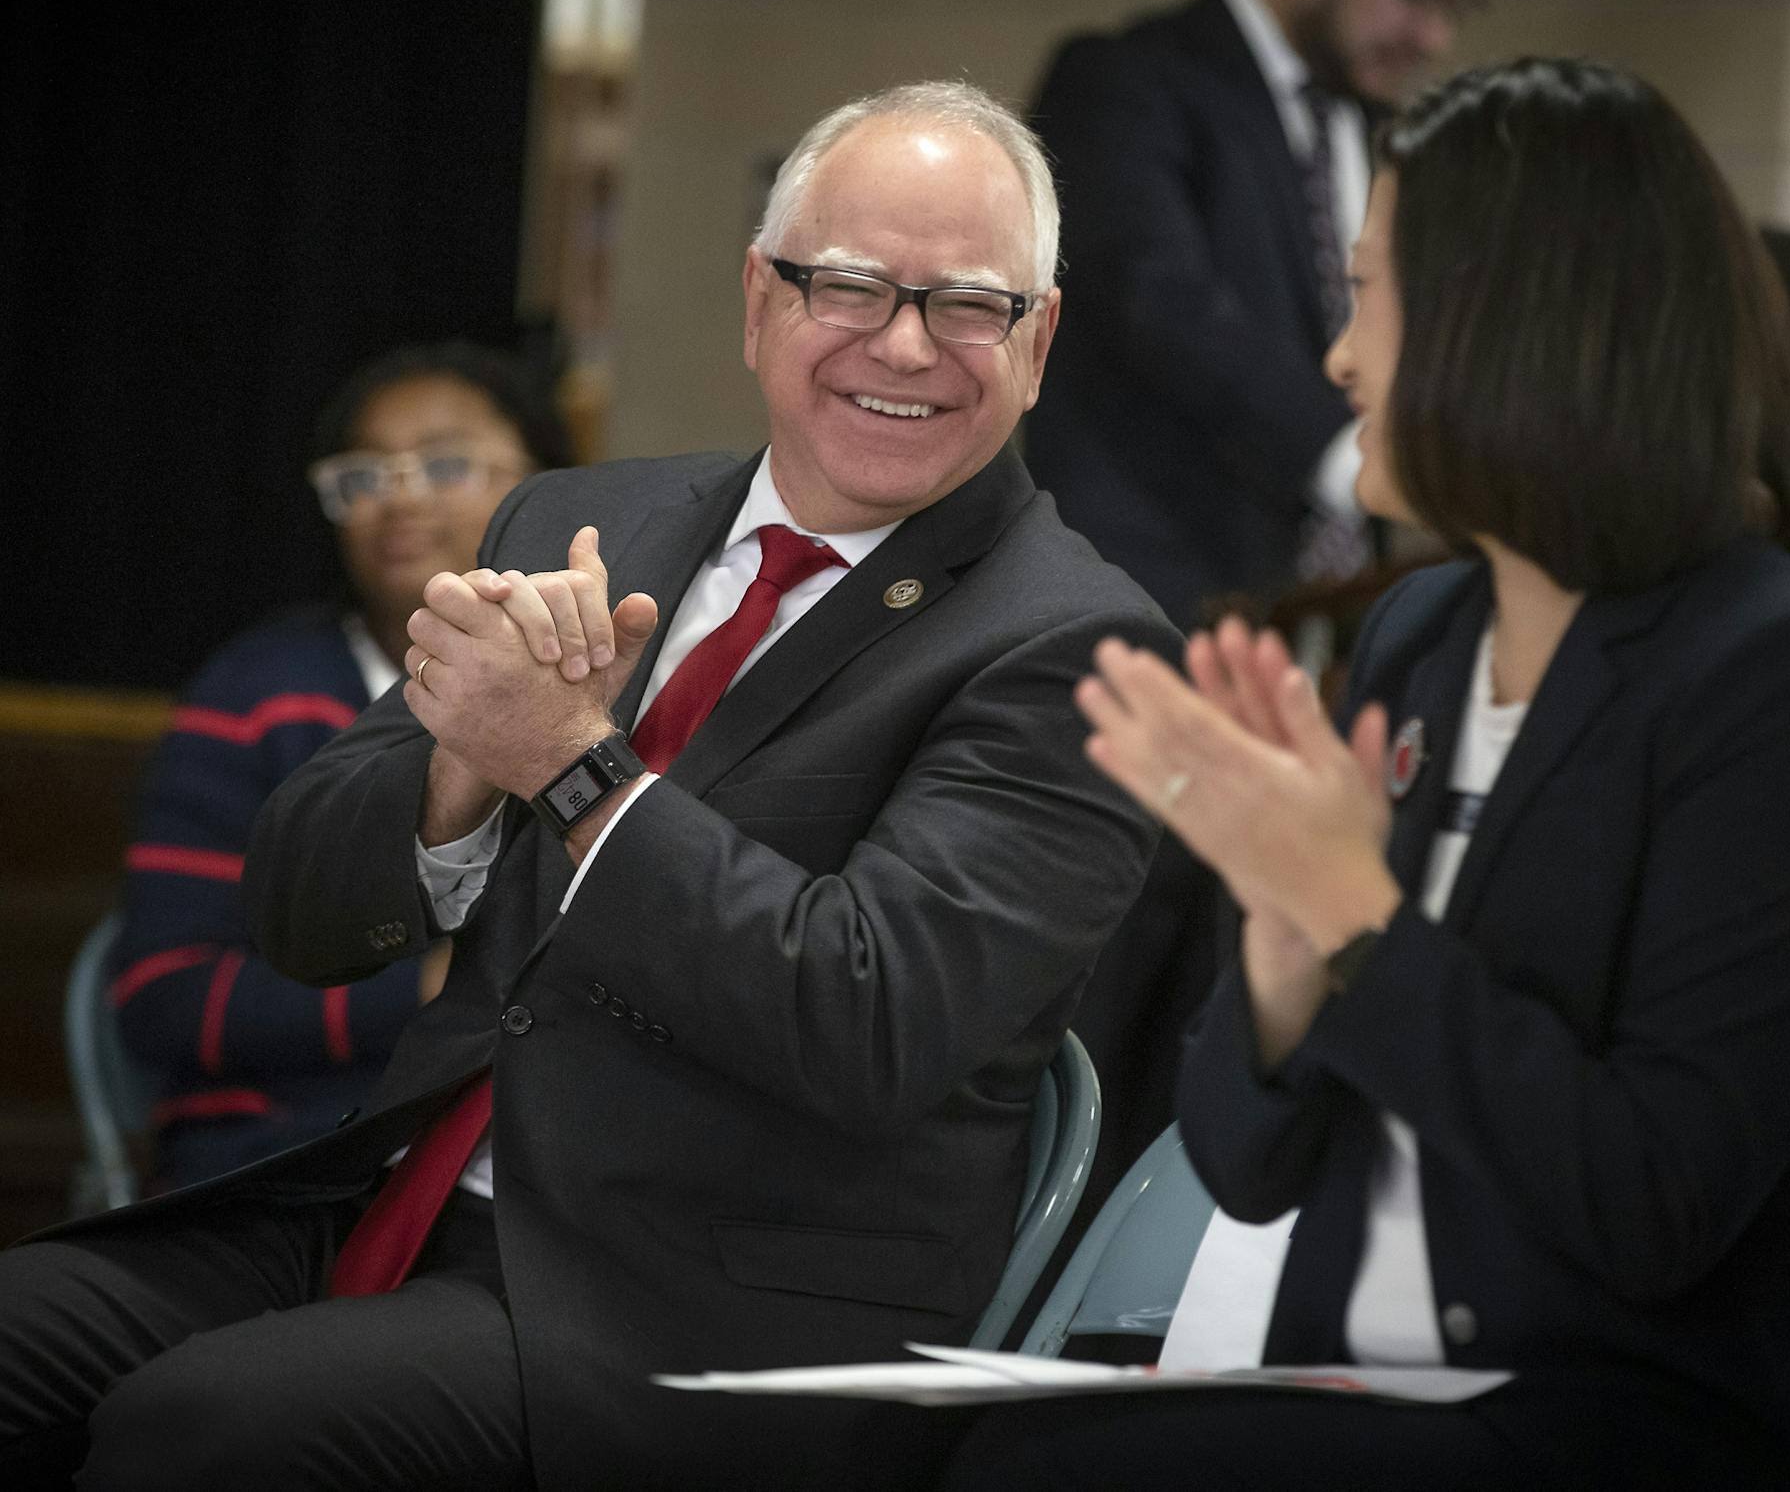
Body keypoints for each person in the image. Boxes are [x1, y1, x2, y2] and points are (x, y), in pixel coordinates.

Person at [0, 81, 1176, 1490]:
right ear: (760, 300)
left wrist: (565, 760)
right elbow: (298, 911)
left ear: (1037, 338)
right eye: (849, 284)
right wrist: (456, 771)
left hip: (695, 1312)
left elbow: (869, 1018)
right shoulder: (579, 521)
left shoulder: (1078, 644)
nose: (904, 345)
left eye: (967, 304)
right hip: (385, 1188)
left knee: (207, 1429)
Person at [942, 58, 1790, 1490]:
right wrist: (1286, 960)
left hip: (1652, 1412)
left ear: (1515, 325)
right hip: (1375, 1384)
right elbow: (1245, 1160)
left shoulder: (1784, 681)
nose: (1342, 360)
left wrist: (1353, 917)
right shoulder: (1421, 632)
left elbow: (1649, 1202)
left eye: (1371, 296)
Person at [112, 341, 573, 1189]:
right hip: (286, 1163)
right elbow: (163, 998)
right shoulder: (257, 695)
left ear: (552, 484)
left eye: (443, 463)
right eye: (362, 477)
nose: (397, 499)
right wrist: (430, 988)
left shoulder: (615, 687)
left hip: (545, 1174)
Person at [1027, 0, 1469, 631]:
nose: (1434, 38)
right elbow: (1160, 303)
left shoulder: (1381, 123)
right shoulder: (1122, 77)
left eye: (1459, 11)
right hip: (1156, 595)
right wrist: (1359, 457)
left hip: (1336, 602)